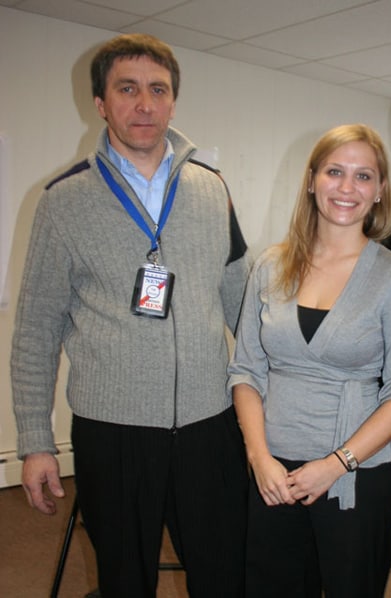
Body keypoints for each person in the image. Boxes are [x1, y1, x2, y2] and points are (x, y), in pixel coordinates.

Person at [11, 34, 250, 597]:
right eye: (127, 89)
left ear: (172, 101)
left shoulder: (212, 189)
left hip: (209, 427)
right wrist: (34, 440)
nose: (144, 104)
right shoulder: (62, 202)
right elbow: (35, 332)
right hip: (112, 433)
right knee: (123, 581)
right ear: (101, 103)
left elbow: (245, 302)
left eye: (157, 90)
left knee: (227, 573)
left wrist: (282, 399)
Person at [227, 123, 391, 597]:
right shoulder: (270, 267)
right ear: (312, 179)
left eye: (364, 176)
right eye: (335, 171)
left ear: (379, 190)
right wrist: (259, 458)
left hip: (355, 476)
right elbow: (246, 372)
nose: (347, 187)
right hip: (274, 472)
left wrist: (337, 463)